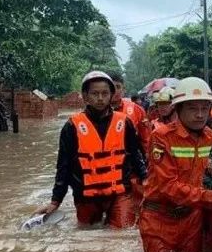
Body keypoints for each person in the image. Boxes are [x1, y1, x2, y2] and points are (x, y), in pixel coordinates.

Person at [139, 77, 212, 252]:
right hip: (159, 219)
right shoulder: (161, 137)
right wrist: (211, 197)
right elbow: (168, 186)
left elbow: (204, 175)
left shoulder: (209, 137)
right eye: (193, 108)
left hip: (191, 219)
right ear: (178, 109)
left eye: (204, 108)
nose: (200, 114)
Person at [35, 71, 147, 228]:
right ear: (85, 96)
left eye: (105, 93)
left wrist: (146, 181)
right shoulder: (71, 126)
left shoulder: (125, 122)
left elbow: (136, 156)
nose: (100, 98)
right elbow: (63, 167)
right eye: (95, 94)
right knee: (86, 233)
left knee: (121, 234)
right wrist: (55, 201)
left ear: (111, 95)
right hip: (85, 196)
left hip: (119, 193)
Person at [108, 71, 150, 153]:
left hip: (130, 158)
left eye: (118, 87)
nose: (115, 91)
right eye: (111, 87)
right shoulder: (98, 111)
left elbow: (146, 139)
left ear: (123, 90)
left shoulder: (136, 109)